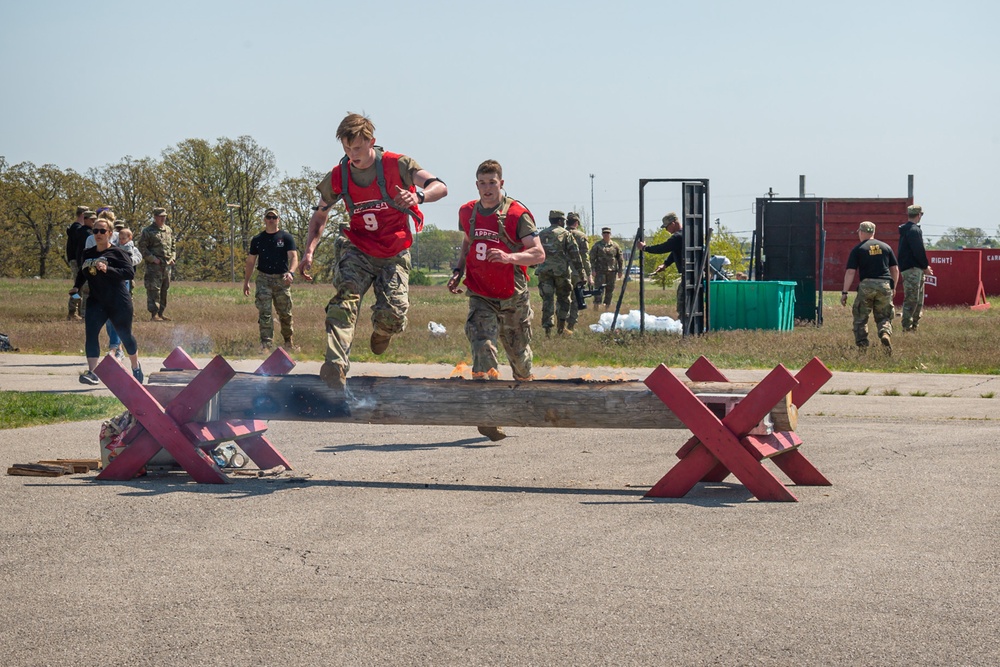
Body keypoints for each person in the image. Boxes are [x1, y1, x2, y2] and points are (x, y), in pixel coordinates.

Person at [300, 112, 448, 390]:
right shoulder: (338, 176)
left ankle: (384, 330)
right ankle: (335, 365)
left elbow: (440, 187)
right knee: (345, 299)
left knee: (392, 313)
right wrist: (309, 250)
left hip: (394, 250)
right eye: (346, 149)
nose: (351, 155)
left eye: (356, 148)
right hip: (358, 248)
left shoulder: (398, 164)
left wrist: (418, 196)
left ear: (371, 142)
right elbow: (320, 215)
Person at [70, 218, 143, 385]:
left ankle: (135, 365)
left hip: (118, 302)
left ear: (110, 233)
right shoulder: (87, 253)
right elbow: (83, 272)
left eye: (102, 231)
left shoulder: (118, 253)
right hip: (97, 301)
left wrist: (107, 269)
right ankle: (93, 372)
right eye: (95, 231)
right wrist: (76, 287)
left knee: (126, 337)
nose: (98, 234)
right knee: (91, 334)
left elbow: (129, 273)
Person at [243, 208, 299, 351]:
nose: (271, 220)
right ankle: (266, 345)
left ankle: (288, 343)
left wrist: (291, 273)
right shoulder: (257, 239)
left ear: (278, 219)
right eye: (268, 217)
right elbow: (250, 262)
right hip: (263, 279)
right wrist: (246, 282)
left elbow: (294, 257)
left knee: (285, 313)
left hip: (282, 280)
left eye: (274, 217)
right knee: (265, 313)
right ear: (264, 219)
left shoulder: (286, 237)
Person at [841, 221, 900, 353]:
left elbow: (850, 271)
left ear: (861, 232)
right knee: (884, 315)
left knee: (861, 316)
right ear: (873, 232)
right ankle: (885, 333)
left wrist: (844, 292)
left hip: (866, 285)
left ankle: (862, 345)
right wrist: (893, 287)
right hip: (884, 285)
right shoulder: (886, 247)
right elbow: (895, 269)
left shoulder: (858, 249)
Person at [534, 210, 585, 336]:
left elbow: (534, 252)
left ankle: (547, 331)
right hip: (561, 272)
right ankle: (561, 329)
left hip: (544, 272)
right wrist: (581, 272)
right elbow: (575, 255)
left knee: (547, 300)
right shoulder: (565, 234)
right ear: (561, 221)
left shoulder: (541, 234)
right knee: (563, 300)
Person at [639, 212, 685, 321]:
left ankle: (684, 324)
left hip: (688, 275)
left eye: (667, 227)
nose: (666, 230)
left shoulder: (677, 237)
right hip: (693, 273)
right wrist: (665, 264)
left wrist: (645, 248)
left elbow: (663, 248)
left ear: (673, 223)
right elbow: (675, 252)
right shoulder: (686, 234)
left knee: (682, 301)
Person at [897, 204, 933, 332]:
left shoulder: (905, 230)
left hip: (908, 268)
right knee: (914, 299)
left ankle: (912, 326)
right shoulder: (914, 230)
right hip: (914, 269)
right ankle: (908, 327)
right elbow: (919, 250)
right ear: (919, 215)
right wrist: (925, 266)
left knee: (915, 299)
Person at [137, 207, 175, 321]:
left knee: (164, 289)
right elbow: (142, 248)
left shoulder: (168, 230)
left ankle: (161, 312)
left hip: (166, 266)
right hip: (154, 267)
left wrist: (173, 258)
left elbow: (173, 245)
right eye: (160, 216)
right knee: (154, 290)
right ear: (155, 217)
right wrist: (153, 259)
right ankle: (154, 314)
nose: (163, 218)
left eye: (164, 216)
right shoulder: (148, 231)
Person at [565, 212, 592, 332]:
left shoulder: (560, 234)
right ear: (577, 223)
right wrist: (589, 274)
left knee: (563, 298)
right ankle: (571, 326)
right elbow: (585, 257)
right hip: (576, 272)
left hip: (562, 271)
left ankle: (561, 325)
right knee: (576, 299)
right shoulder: (581, 236)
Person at [589, 227, 623, 310]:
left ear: (610, 234)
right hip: (600, 271)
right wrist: (592, 270)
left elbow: (620, 258)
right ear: (602, 234)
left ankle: (607, 308)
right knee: (598, 290)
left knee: (610, 290)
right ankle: (596, 307)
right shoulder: (597, 245)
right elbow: (592, 258)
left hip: (612, 272)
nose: (606, 235)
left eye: (607, 233)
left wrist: (620, 270)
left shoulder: (615, 246)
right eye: (604, 233)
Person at [66, 206, 89, 320]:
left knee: (79, 286)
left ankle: (76, 310)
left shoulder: (76, 227)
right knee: (78, 286)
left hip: (77, 260)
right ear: (82, 214)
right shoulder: (77, 228)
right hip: (76, 260)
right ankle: (73, 310)